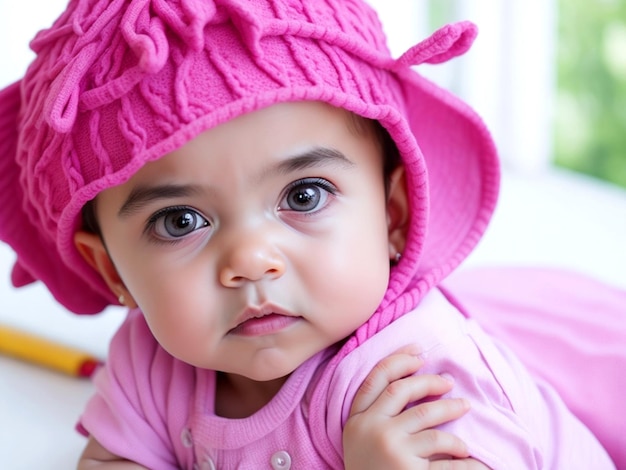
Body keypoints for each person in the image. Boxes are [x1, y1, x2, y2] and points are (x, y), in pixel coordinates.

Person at [0, 0, 617, 468]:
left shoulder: (416, 381)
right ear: (112, 270)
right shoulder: (152, 361)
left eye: (303, 195)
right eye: (180, 221)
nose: (251, 259)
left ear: (393, 213)